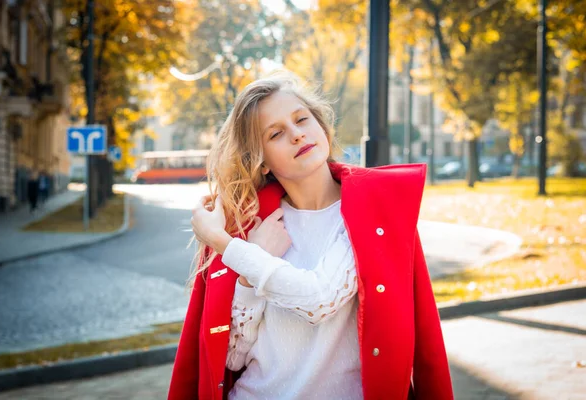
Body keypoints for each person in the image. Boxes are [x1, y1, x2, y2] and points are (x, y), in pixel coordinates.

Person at [168, 72, 454, 400]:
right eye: (276, 133)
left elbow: (320, 300)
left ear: (321, 126)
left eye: (302, 119)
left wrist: (224, 244)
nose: (297, 135)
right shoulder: (250, 227)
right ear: (261, 162)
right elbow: (233, 357)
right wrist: (247, 277)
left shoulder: (372, 212)